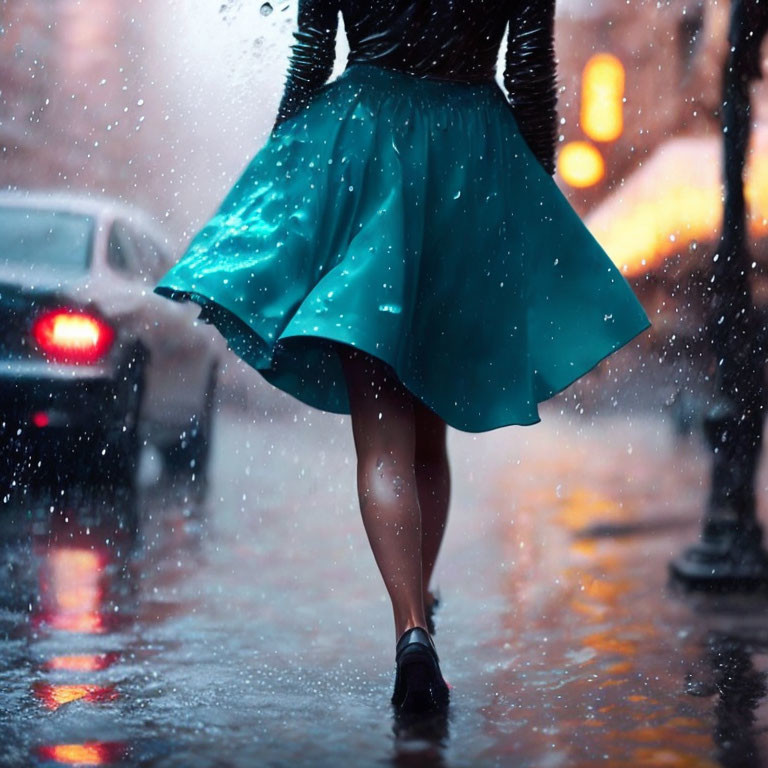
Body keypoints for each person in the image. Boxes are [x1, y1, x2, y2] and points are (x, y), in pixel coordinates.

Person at [153, 0, 652, 713]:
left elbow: (310, 54)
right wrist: (529, 191)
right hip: (472, 161)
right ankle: (417, 619)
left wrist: (282, 173)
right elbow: (531, 72)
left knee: (381, 439)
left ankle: (411, 628)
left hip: (361, 147)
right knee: (428, 434)